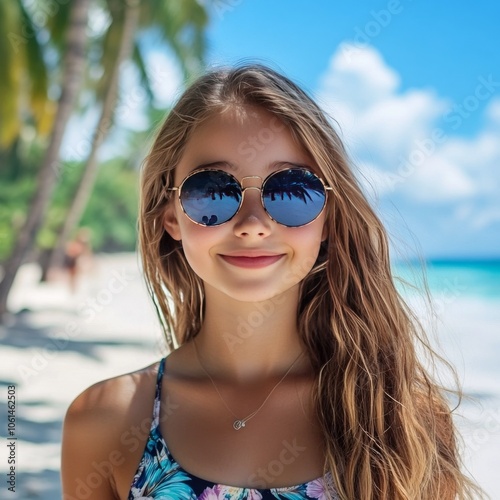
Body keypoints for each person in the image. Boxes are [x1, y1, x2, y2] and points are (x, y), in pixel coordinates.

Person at [61, 64, 482, 499]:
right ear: (171, 216)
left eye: (291, 189)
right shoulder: (104, 421)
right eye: (213, 191)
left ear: (329, 217)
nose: (253, 224)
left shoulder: (402, 420)